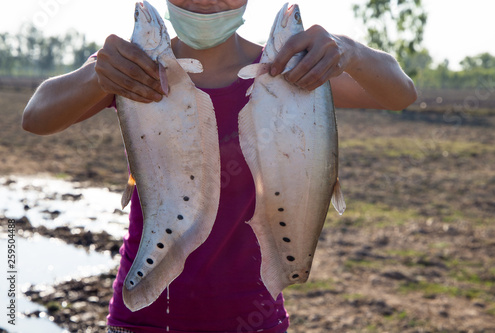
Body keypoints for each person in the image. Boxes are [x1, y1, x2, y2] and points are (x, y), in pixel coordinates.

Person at [22, 1, 417, 332]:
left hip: (255, 317)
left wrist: (351, 50)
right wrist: (97, 72)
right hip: (143, 317)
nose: (207, 1)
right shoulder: (134, 69)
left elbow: (400, 93)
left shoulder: (293, 75)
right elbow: (36, 116)